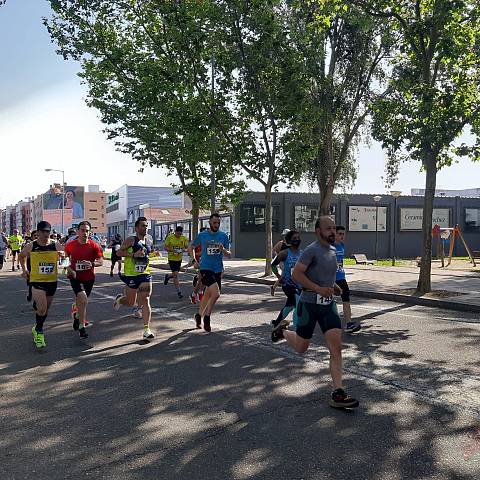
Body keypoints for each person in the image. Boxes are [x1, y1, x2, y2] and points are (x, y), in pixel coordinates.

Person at [271, 216, 359, 409]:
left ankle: (338, 392)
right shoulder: (311, 250)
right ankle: (283, 331)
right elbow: (297, 275)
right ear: (318, 231)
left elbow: (324, 276)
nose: (332, 232)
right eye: (328, 229)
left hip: (328, 306)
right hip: (309, 304)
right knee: (302, 348)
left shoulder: (334, 250)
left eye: (334, 228)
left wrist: (334, 286)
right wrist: (319, 289)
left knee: (336, 348)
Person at [18, 221, 63, 349]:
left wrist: (63, 256)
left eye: (47, 231)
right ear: (37, 232)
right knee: (42, 308)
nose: (45, 234)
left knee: (45, 310)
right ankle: (39, 332)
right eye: (43, 231)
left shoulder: (56, 245)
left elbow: (66, 256)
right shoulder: (31, 246)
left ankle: (37, 327)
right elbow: (21, 257)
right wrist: (24, 270)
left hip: (51, 281)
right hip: (37, 281)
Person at [113, 217, 154, 340]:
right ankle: (120, 299)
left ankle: (147, 329)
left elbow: (147, 254)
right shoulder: (131, 240)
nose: (145, 228)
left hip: (145, 274)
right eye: (142, 225)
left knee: (146, 299)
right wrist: (133, 255)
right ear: (136, 228)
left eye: (146, 225)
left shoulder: (149, 241)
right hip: (131, 275)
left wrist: (152, 254)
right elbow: (118, 253)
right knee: (131, 302)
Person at [188, 213, 231, 332]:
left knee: (208, 294)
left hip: (217, 269)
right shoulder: (202, 235)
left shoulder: (223, 236)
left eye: (218, 223)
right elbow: (190, 247)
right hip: (205, 268)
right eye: (214, 223)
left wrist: (223, 250)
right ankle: (207, 317)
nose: (216, 225)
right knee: (216, 294)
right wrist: (193, 260)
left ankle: (199, 316)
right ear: (209, 223)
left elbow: (229, 255)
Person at [64, 221, 104, 339]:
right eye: (82, 230)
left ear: (90, 232)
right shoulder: (71, 245)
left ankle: (76, 315)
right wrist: (68, 268)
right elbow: (64, 259)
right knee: (83, 299)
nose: (85, 233)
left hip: (89, 278)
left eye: (87, 231)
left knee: (82, 302)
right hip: (75, 276)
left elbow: (101, 261)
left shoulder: (94, 245)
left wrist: (92, 263)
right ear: (77, 231)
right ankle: (82, 327)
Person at [271, 230, 302, 327]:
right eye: (294, 238)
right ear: (289, 241)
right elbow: (273, 265)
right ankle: (297, 329)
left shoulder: (302, 253)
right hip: (288, 284)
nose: (297, 240)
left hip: (299, 284)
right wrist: (279, 277)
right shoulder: (284, 253)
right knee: (298, 303)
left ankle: (276, 323)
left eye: (298, 238)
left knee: (290, 306)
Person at [335, 226, 359, 334]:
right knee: (326, 302)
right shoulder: (329, 246)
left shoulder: (342, 245)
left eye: (343, 234)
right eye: (339, 234)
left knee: (346, 299)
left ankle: (349, 324)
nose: (342, 236)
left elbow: (340, 262)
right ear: (334, 234)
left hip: (341, 277)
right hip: (330, 278)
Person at [163, 225, 189, 299]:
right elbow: (165, 247)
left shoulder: (183, 238)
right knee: (176, 275)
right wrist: (172, 250)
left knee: (175, 274)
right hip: (172, 258)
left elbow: (187, 247)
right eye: (177, 234)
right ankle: (179, 292)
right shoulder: (170, 237)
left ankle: (168, 276)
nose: (178, 236)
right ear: (175, 232)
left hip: (179, 259)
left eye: (180, 234)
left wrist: (184, 249)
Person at [270, 228, 291, 296]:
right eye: (284, 235)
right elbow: (273, 251)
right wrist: (276, 257)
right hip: (282, 262)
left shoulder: (291, 243)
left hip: (289, 262)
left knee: (284, 276)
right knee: (286, 275)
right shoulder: (280, 243)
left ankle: (273, 287)